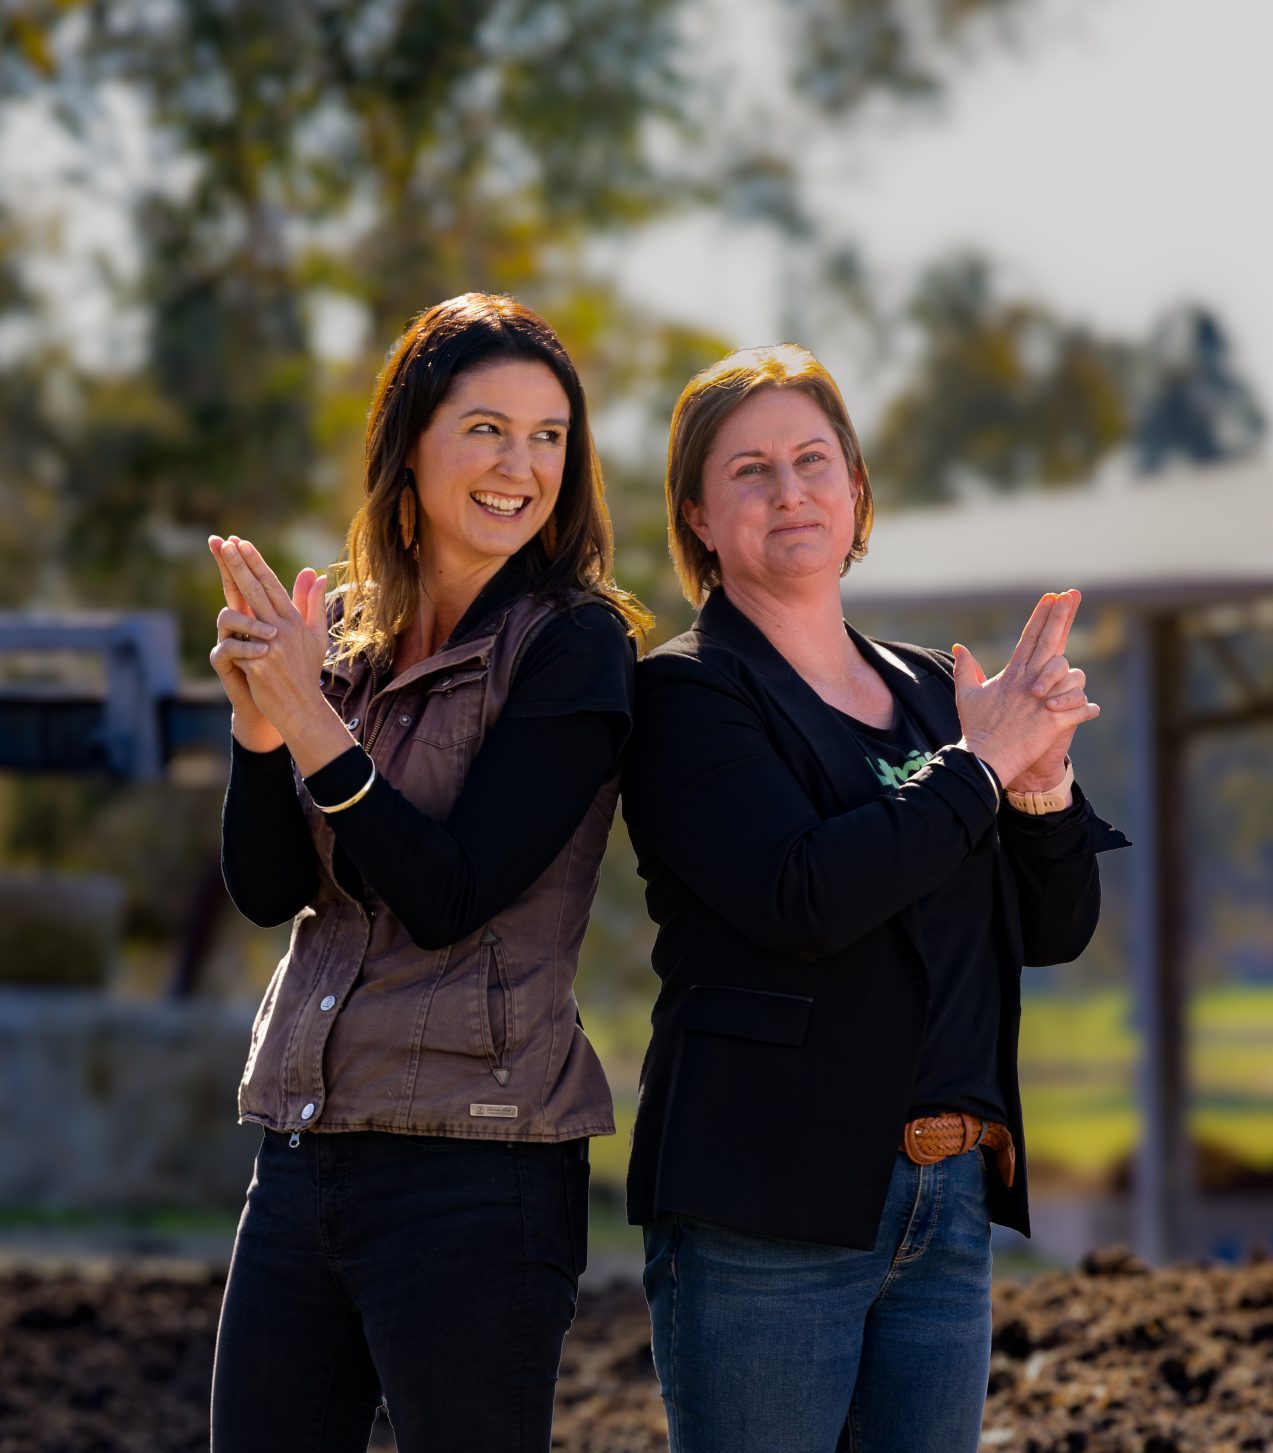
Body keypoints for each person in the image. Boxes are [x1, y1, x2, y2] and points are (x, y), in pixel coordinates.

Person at [621, 344, 1128, 1453]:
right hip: (768, 1208)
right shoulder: (686, 693)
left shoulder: (929, 695)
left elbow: (1051, 931)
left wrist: (1039, 787)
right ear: (699, 516)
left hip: (946, 1197)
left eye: (813, 459)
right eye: (747, 470)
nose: (788, 489)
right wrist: (981, 766)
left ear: (856, 492)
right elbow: (802, 893)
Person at [205, 292, 649, 1453]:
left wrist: (310, 725)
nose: (522, 465)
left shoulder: (574, 644)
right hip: (301, 1151)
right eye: (488, 429)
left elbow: (453, 893)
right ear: (410, 446)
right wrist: (262, 726)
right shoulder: (341, 637)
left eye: (549, 436)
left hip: (478, 1172)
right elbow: (266, 892)